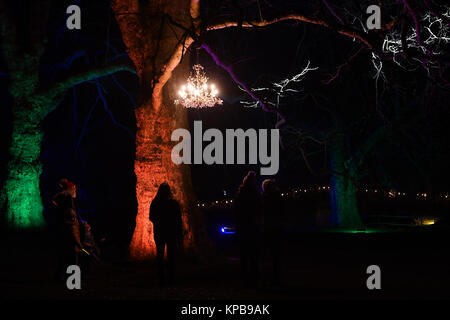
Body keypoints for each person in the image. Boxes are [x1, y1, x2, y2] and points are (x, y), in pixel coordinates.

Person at [149, 182, 183, 285]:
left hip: (160, 232)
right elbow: (178, 219)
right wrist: (179, 233)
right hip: (171, 233)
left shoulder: (155, 203)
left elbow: (151, 217)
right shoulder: (174, 203)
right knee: (171, 257)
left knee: (160, 256)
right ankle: (170, 278)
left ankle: (161, 278)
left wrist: (159, 222)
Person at [234, 171, 263, 287]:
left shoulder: (240, 194)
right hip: (252, 226)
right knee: (253, 253)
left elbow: (236, 211)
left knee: (244, 253)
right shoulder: (255, 194)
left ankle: (244, 276)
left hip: (243, 226)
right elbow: (259, 209)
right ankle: (254, 276)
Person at [52, 179, 84, 282]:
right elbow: (72, 227)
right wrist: (78, 243)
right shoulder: (68, 209)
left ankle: (61, 276)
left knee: (64, 255)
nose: (75, 191)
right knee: (72, 256)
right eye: (73, 190)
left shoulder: (66, 208)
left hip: (65, 233)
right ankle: (73, 279)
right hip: (70, 234)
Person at [262, 179, 284, 285]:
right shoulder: (276, 197)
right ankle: (276, 274)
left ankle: (272, 274)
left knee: (271, 251)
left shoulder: (264, 198)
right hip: (275, 226)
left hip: (269, 227)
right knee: (275, 252)